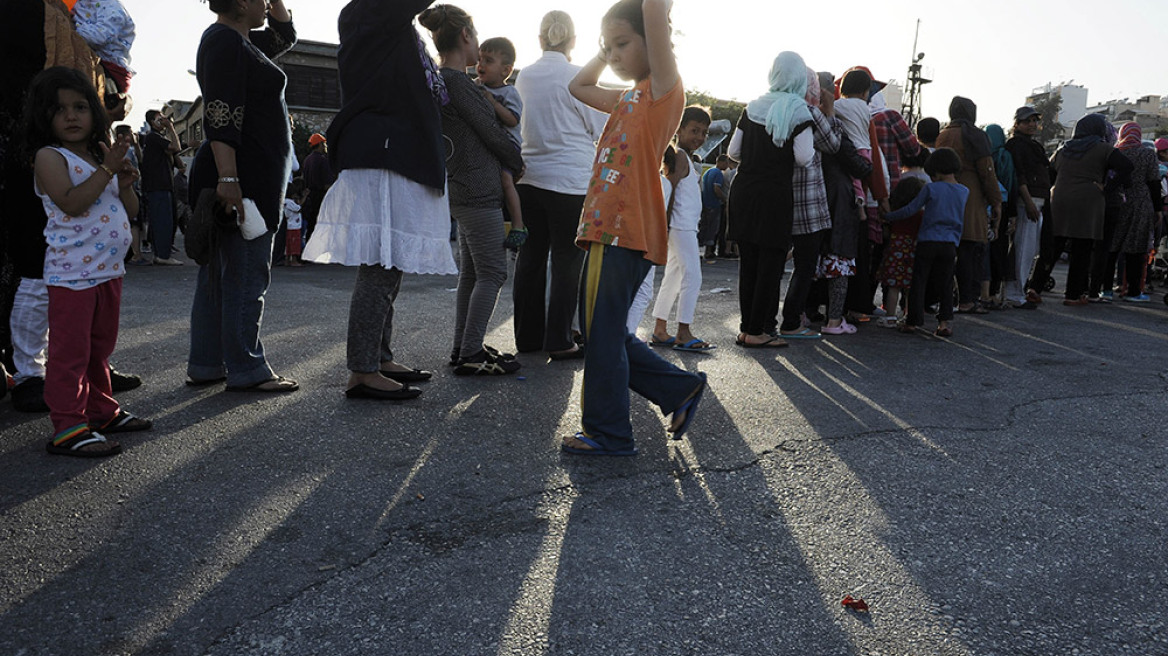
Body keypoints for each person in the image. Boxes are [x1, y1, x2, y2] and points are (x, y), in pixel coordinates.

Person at [562, 0, 706, 456]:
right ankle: (678, 389)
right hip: (608, 230)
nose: (615, 54)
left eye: (624, 43)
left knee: (601, 334)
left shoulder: (663, 90)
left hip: (624, 231)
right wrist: (606, 51)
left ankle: (608, 432)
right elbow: (577, 84)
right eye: (609, 47)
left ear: (654, 36)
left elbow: (653, 8)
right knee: (606, 331)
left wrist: (650, 17)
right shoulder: (626, 96)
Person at [302, 0, 457, 400]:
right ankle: (363, 369)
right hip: (383, 148)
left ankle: (378, 356)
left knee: (391, 259)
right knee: (381, 260)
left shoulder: (382, 17)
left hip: (392, 148)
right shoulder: (370, 9)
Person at [27, 66, 152, 456]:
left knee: (99, 349)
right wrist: (108, 170)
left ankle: (100, 411)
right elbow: (72, 202)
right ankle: (67, 425)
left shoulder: (101, 153)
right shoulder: (49, 156)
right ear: (44, 116)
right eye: (59, 109)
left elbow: (128, 209)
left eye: (80, 106)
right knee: (70, 353)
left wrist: (126, 183)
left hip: (108, 272)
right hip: (71, 276)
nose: (71, 116)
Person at [186, 0, 299, 392]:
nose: (268, 5)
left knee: (221, 275)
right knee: (246, 273)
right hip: (242, 178)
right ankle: (247, 367)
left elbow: (287, 35)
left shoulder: (243, 42)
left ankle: (207, 363)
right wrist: (229, 177)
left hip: (243, 176)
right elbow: (221, 113)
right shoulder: (225, 42)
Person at [417, 6, 524, 376]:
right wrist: (517, 162)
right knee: (493, 273)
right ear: (465, 36)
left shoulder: (441, 78)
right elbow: (492, 133)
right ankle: (471, 352)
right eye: (476, 37)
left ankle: (464, 346)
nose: (479, 45)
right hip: (479, 190)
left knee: (473, 274)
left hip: (461, 188)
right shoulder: (458, 81)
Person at [511, 10, 607, 360]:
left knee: (531, 257)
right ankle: (560, 338)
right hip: (569, 180)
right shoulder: (577, 76)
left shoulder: (525, 77)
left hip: (529, 177)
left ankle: (528, 337)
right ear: (573, 41)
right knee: (568, 261)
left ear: (540, 38)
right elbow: (600, 128)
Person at [727, 51, 815, 348]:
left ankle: (746, 328)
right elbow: (803, 158)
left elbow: (733, 152)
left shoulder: (752, 107)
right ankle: (758, 331)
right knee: (771, 264)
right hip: (774, 194)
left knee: (748, 262)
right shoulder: (799, 112)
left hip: (744, 190)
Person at [883, 148, 969, 337]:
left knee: (918, 281)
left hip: (928, 241)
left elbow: (911, 210)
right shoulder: (964, 191)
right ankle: (945, 322)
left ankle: (912, 321)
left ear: (936, 170)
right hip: (950, 244)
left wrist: (888, 216)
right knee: (946, 283)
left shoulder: (930, 188)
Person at [1049, 113, 1133, 306]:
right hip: (1091, 203)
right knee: (1084, 250)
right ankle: (1076, 294)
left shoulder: (1064, 149)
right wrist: (1108, 187)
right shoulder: (1103, 148)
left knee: (1054, 246)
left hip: (1060, 201)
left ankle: (1034, 287)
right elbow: (1127, 168)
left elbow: (1050, 170)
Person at [650, 106, 714, 352]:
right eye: (694, 130)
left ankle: (660, 329)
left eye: (704, 133)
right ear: (679, 129)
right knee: (693, 276)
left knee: (674, 277)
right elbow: (670, 191)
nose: (699, 137)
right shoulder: (679, 156)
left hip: (684, 226)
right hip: (680, 226)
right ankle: (684, 332)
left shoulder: (684, 156)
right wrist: (664, 225)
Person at [935, 96, 1001, 314]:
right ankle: (967, 300)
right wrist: (996, 202)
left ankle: (944, 298)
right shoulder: (975, 135)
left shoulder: (943, 135)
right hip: (970, 197)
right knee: (969, 250)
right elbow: (987, 171)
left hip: (944, 195)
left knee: (948, 251)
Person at [475, 36, 528, 251]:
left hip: (508, 147)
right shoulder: (475, 87)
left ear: (506, 70)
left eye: (488, 60)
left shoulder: (509, 92)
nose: (481, 65)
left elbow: (513, 119)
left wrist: (491, 102)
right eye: (480, 59)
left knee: (506, 181)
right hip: (489, 147)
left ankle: (518, 225)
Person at [1110, 122, 1162, 301]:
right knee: (1137, 247)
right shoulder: (1148, 154)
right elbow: (1154, 182)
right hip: (1141, 202)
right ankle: (1133, 291)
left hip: (1117, 199)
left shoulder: (1115, 152)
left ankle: (1104, 290)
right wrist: (1158, 209)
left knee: (1111, 246)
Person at [1003, 106, 1049, 309]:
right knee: (1023, 249)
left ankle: (1018, 290)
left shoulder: (1033, 145)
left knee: (1030, 250)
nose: (1031, 124)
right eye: (1027, 121)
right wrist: (1028, 201)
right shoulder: (1015, 145)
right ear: (1017, 124)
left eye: (1034, 120)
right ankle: (1014, 293)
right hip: (1027, 201)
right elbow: (1019, 175)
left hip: (1038, 200)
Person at [140, 109, 182, 265]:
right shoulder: (153, 137)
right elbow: (175, 147)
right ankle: (163, 255)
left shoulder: (155, 139)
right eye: (160, 118)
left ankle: (161, 253)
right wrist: (171, 127)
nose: (164, 120)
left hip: (160, 185)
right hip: (158, 186)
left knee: (163, 220)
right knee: (162, 221)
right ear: (152, 121)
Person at [299, 132, 333, 242]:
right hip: (320, 197)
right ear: (320, 145)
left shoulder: (307, 160)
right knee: (319, 225)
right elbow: (327, 184)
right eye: (324, 144)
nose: (325, 146)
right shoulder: (323, 161)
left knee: (310, 226)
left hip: (309, 197)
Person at [698, 155, 727, 260]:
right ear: (721, 162)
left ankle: (697, 249)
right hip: (713, 204)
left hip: (705, 203)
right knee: (712, 228)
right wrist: (725, 200)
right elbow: (716, 189)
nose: (727, 166)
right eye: (726, 163)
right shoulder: (718, 173)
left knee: (704, 227)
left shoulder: (708, 172)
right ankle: (708, 251)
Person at [283, 179, 304, 267]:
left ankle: (288, 259)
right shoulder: (290, 202)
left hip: (289, 225)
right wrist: (304, 197)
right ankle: (294, 260)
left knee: (288, 243)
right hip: (294, 226)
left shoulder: (284, 201)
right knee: (294, 243)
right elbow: (298, 208)